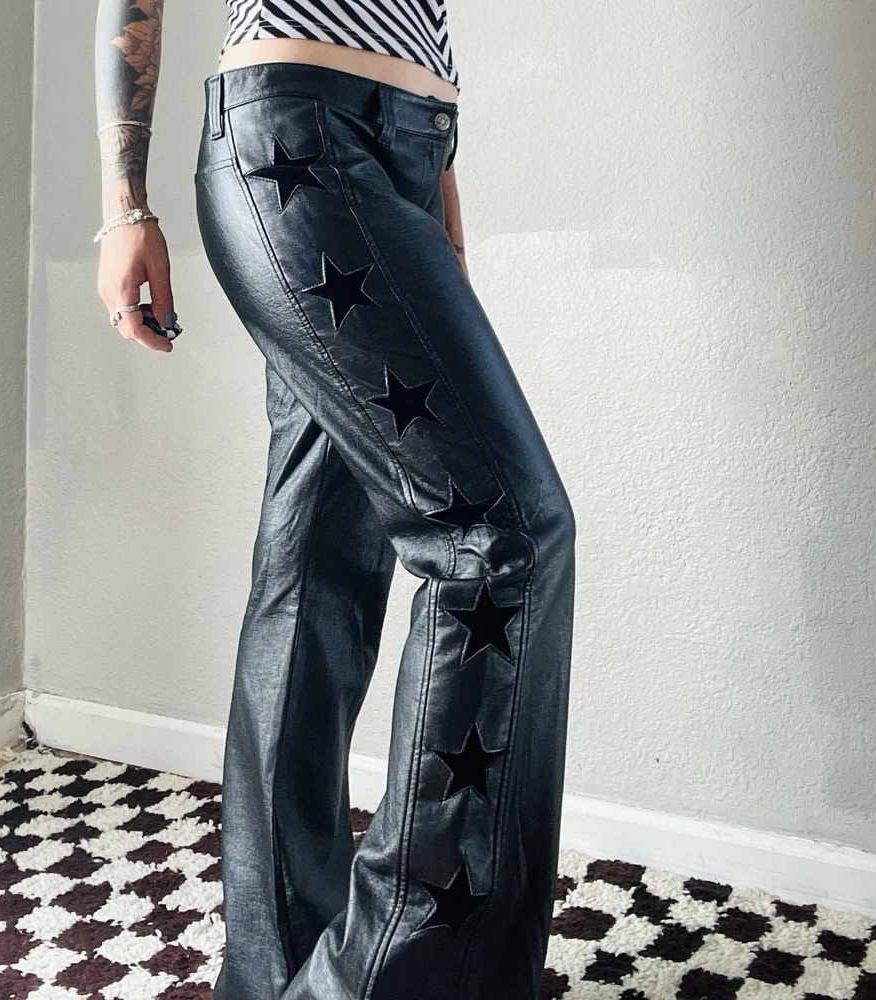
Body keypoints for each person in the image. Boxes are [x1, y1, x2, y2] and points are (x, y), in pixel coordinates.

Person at [94, 3, 576, 998]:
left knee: (315, 560)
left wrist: (440, 204)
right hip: (293, 140)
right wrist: (123, 205)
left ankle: (274, 970)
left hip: (404, 151)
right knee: (502, 535)